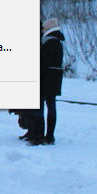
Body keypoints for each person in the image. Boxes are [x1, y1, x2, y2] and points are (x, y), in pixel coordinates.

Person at [32, 17, 65, 146]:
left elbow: (43, 63)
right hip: (55, 79)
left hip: (46, 78)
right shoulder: (57, 41)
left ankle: (39, 135)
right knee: (51, 106)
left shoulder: (49, 42)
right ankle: (50, 136)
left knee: (39, 107)